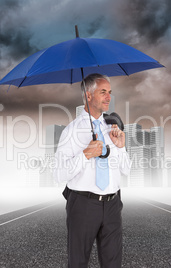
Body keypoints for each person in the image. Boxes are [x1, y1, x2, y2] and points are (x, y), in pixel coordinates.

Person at [54, 73, 130, 267]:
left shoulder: (112, 127)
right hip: (83, 205)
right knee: (78, 262)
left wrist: (120, 146)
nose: (108, 97)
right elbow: (59, 174)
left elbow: (127, 170)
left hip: (113, 205)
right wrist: (85, 154)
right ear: (88, 96)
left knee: (113, 264)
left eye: (110, 92)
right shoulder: (71, 131)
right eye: (103, 92)